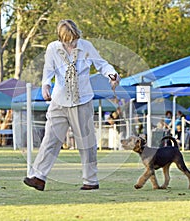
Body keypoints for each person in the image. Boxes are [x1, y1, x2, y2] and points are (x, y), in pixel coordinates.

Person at [23, 19, 120, 191]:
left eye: (74, 39)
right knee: (50, 140)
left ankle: (91, 180)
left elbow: (101, 64)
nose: (72, 43)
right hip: (59, 101)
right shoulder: (52, 48)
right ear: (61, 38)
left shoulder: (86, 46)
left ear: (77, 35)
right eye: (68, 40)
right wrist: (46, 85)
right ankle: (38, 177)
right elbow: (48, 69)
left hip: (82, 101)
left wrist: (112, 74)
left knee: (86, 143)